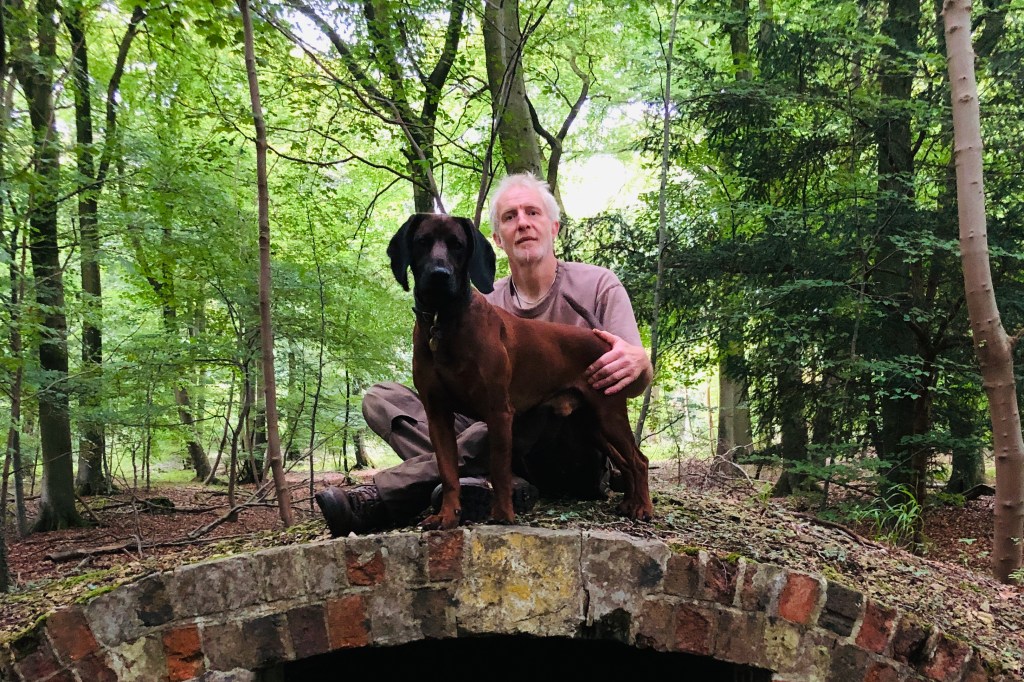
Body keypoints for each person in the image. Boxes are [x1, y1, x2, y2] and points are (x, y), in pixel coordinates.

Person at [316, 172, 652, 536]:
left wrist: (641, 362)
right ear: (497, 238)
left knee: (518, 414)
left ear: (554, 227)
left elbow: (628, 384)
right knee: (382, 399)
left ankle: (389, 494)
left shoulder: (598, 284)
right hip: (490, 431)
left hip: (562, 446)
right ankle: (491, 482)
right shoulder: (484, 300)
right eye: (509, 216)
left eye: (532, 212)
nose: (522, 222)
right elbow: (448, 408)